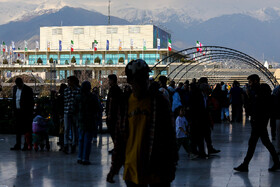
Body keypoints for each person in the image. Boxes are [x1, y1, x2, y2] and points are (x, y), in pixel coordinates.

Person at [106, 59, 178, 186]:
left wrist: (171, 164)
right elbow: (120, 138)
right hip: (132, 169)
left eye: (145, 78)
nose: (143, 83)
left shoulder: (159, 102)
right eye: (138, 79)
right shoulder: (125, 104)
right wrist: (114, 167)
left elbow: (169, 135)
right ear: (130, 81)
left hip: (156, 167)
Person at [234, 74, 280, 172]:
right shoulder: (259, 91)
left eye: (250, 82)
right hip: (259, 121)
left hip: (259, 122)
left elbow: (254, 107)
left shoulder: (260, 92)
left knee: (255, 143)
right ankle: (276, 162)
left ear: (255, 81)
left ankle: (245, 165)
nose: (249, 84)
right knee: (264, 142)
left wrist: (248, 96)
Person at [75, 81, 99, 165]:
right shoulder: (93, 97)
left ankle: (80, 157)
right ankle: (85, 158)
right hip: (90, 120)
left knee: (81, 139)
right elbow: (98, 108)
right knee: (87, 140)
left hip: (81, 120)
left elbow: (75, 109)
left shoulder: (78, 97)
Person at [10, 77, 34, 151]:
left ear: (22, 83)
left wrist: (30, 112)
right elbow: (14, 99)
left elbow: (31, 102)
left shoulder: (28, 89)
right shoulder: (14, 88)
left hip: (25, 112)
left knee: (26, 129)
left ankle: (27, 145)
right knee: (18, 129)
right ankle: (18, 144)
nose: (18, 86)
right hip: (17, 111)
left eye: (19, 84)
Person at [106, 74, 122, 154]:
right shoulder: (117, 89)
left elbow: (112, 102)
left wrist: (109, 113)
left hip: (113, 114)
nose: (108, 82)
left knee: (114, 131)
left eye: (109, 80)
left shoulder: (114, 89)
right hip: (115, 114)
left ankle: (117, 147)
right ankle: (116, 147)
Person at [63, 76, 80, 154]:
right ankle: (66, 144)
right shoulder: (66, 90)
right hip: (67, 111)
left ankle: (73, 144)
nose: (69, 82)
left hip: (75, 113)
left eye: (70, 81)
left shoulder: (78, 90)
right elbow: (64, 101)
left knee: (74, 129)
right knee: (66, 129)